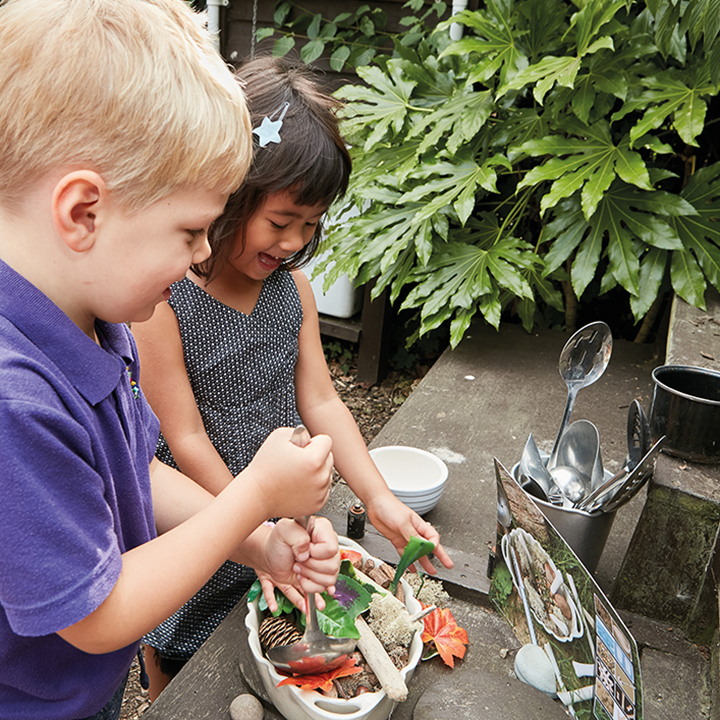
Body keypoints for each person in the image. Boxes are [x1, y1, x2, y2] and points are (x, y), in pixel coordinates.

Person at [0, 4, 340, 720]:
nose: (201, 254)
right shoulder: (14, 402)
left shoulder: (93, 315)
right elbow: (98, 612)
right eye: (189, 230)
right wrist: (254, 499)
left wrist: (262, 547)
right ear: (84, 212)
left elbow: (135, 470)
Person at [132, 54, 455, 699]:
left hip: (282, 515)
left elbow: (324, 403)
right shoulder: (165, 302)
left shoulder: (294, 291)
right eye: (280, 222)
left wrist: (379, 497)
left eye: (308, 226)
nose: (293, 241)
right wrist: (250, 523)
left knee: (274, 639)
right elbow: (186, 440)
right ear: (227, 194)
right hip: (203, 512)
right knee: (179, 638)